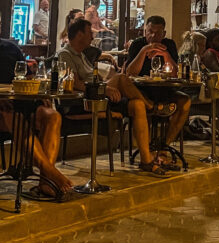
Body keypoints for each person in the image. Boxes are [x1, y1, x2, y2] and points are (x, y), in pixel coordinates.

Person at [0, 9, 75, 202]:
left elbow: (27, 76)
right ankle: (52, 174)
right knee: (15, 118)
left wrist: (39, 92)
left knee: (53, 116)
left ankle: (45, 180)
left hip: (21, 101)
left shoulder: (11, 49)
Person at [61, 17, 173, 177]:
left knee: (136, 105)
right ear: (79, 35)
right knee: (121, 79)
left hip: (102, 96)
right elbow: (73, 83)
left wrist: (105, 85)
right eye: (89, 34)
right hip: (88, 101)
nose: (93, 37)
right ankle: (152, 107)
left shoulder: (81, 55)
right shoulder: (65, 54)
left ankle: (146, 160)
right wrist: (104, 88)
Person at [125, 15, 191, 149]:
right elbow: (130, 73)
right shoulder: (138, 44)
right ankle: (146, 149)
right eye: (150, 32)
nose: (153, 36)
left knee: (185, 102)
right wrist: (144, 51)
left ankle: (164, 146)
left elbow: (175, 73)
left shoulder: (169, 44)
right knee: (141, 107)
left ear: (164, 34)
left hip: (165, 90)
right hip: (142, 91)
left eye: (158, 33)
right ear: (145, 31)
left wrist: (166, 55)